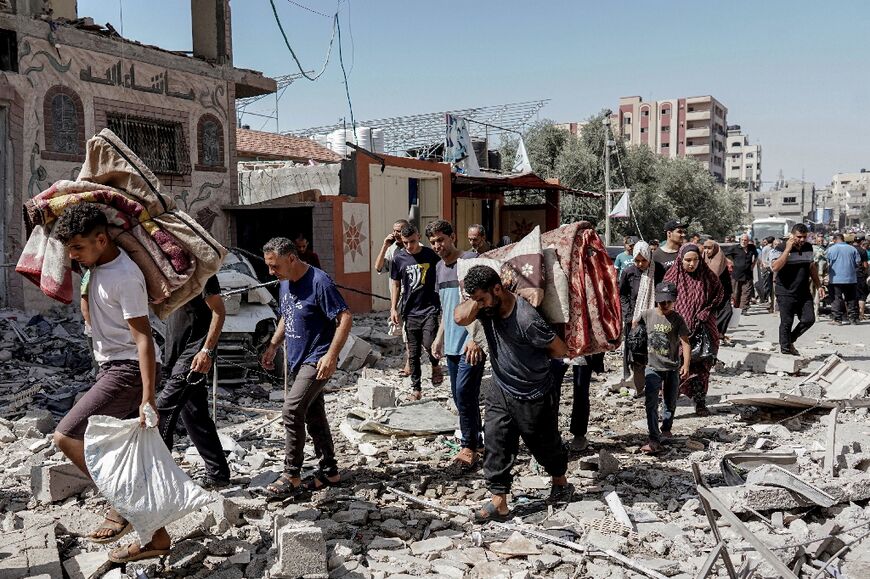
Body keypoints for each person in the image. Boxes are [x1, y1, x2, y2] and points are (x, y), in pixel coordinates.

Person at [50, 203, 169, 562]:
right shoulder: (95, 265)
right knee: (120, 455)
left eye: (78, 248)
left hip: (129, 370)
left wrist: (148, 397)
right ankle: (156, 539)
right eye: (69, 250)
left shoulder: (124, 277)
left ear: (101, 240)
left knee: (67, 436)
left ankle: (122, 504)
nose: (72, 257)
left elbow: (144, 340)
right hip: (110, 368)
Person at [455, 265, 573, 522]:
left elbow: (559, 350)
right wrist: (478, 303)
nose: (480, 305)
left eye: (482, 298)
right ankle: (499, 502)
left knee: (544, 446)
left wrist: (530, 366)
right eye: (475, 300)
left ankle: (561, 482)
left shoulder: (526, 319)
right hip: (500, 388)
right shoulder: (486, 309)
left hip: (533, 392)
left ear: (498, 289)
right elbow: (459, 318)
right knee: (496, 442)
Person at [260, 237, 353, 499]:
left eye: (275, 266)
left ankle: (291, 474)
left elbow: (345, 316)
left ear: (291, 258)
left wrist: (331, 356)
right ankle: (330, 470)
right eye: (269, 266)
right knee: (313, 413)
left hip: (317, 358)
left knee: (291, 410)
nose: (271, 272)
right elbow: (287, 315)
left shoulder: (319, 281)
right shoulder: (284, 282)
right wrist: (274, 345)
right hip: (297, 359)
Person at [156, 274, 231, 488]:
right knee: (194, 414)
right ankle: (218, 474)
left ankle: (158, 478)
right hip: (177, 352)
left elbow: (219, 311)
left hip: (195, 353)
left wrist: (206, 350)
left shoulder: (202, 270)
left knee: (163, 410)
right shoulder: (170, 273)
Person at [427, 220, 486, 470]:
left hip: (470, 344)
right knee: (462, 396)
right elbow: (446, 307)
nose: (438, 246)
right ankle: (478, 442)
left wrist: (476, 338)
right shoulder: (439, 268)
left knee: (464, 393)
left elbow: (484, 302)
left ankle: (469, 446)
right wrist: (439, 338)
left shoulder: (471, 261)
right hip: (451, 343)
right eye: (433, 242)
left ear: (452, 237)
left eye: (441, 240)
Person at [664, 244, 723, 416]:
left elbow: (719, 294)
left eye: (695, 260)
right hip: (677, 331)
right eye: (687, 260)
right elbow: (664, 302)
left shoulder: (708, 277)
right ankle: (669, 407)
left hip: (703, 329)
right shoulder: (671, 277)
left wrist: (706, 311)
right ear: (680, 260)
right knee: (675, 368)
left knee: (701, 368)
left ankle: (700, 403)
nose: (692, 264)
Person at [634, 282, 691, 454]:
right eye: (661, 302)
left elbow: (685, 342)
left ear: (674, 301)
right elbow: (634, 326)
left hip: (672, 367)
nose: (665, 305)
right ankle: (653, 437)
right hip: (652, 367)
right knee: (651, 402)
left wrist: (686, 364)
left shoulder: (677, 319)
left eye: (668, 302)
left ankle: (666, 427)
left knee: (670, 400)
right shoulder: (647, 314)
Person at [390, 223, 443, 400]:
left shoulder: (431, 255)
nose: (409, 246)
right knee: (413, 353)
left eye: (412, 241)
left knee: (429, 343)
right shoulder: (399, 258)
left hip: (430, 309)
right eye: (405, 242)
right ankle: (416, 388)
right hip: (410, 311)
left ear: (419, 237)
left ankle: (435, 365)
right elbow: (396, 283)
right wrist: (393, 308)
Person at [770, 224, 825, 356]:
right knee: (787, 322)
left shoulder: (808, 247)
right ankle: (785, 350)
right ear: (792, 235)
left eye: (804, 237)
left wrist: (819, 285)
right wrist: (787, 250)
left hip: (803, 291)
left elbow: (811, 267)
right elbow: (775, 267)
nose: (801, 240)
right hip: (785, 291)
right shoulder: (781, 247)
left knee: (809, 319)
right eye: (799, 237)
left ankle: (790, 340)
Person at [619, 241, 665, 396]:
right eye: (637, 260)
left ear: (649, 257)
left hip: (656, 319)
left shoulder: (658, 270)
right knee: (637, 356)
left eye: (643, 260)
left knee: (656, 354)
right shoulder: (628, 272)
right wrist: (629, 316)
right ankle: (639, 388)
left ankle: (656, 388)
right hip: (635, 322)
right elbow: (623, 295)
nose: (640, 264)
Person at [375, 219, 411, 376]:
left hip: (412, 298)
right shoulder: (393, 249)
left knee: (409, 333)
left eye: (400, 230)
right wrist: (385, 246)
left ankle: (411, 365)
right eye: (394, 230)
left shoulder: (416, 248)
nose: (396, 233)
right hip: (397, 299)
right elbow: (379, 267)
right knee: (402, 332)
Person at [826, 233, 861, 325]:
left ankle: (837, 319)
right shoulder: (852, 249)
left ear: (834, 240)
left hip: (835, 279)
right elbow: (858, 262)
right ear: (843, 239)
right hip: (851, 279)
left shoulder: (831, 249)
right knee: (851, 298)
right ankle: (853, 319)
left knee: (836, 298)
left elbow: (827, 263)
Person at [702, 239, 734, 338]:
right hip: (710, 292)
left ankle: (717, 332)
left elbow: (714, 274)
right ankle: (715, 333)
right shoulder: (704, 258)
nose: (707, 251)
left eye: (709, 248)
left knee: (727, 311)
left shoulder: (719, 258)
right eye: (705, 248)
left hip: (723, 290)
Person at [727, 234, 757, 314]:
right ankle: (736, 309)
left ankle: (743, 309)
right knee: (736, 292)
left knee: (746, 292)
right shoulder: (735, 248)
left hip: (748, 274)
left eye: (745, 240)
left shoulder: (752, 248)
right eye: (742, 240)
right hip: (737, 274)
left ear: (748, 241)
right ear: (740, 240)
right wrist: (731, 262)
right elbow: (725, 255)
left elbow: (756, 256)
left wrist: (753, 264)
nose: (744, 241)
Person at [852, 234, 869, 321]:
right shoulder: (862, 251)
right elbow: (865, 265)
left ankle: (850, 314)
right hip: (859, 275)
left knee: (850, 295)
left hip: (849, 275)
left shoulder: (849, 249)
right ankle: (861, 314)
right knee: (862, 295)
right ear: (862, 241)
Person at [757, 236, 776, 310]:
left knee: (768, 285)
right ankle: (768, 300)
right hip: (768, 269)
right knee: (769, 286)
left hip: (767, 269)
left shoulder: (765, 248)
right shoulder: (769, 249)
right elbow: (766, 260)